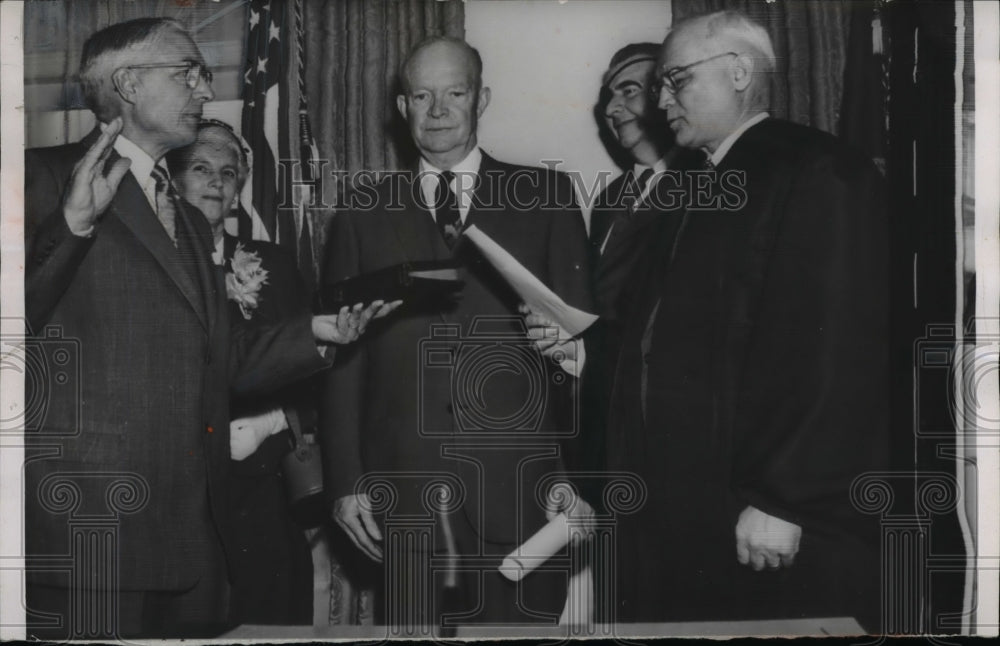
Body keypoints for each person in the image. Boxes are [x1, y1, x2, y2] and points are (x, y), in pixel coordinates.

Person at [24, 18, 395, 638]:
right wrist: (73, 228)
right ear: (129, 84)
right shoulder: (38, 178)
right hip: (94, 530)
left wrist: (319, 334)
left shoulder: (191, 222)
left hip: (195, 533)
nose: (205, 88)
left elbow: (222, 359)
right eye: (188, 72)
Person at [600, 11, 888, 630]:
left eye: (675, 79)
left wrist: (784, 499)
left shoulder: (819, 169)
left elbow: (840, 353)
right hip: (684, 508)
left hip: (767, 516)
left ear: (738, 71)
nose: (662, 100)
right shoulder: (692, 188)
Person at [320, 36, 594, 629]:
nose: (438, 110)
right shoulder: (363, 211)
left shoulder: (546, 198)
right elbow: (344, 359)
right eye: (422, 95)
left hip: (524, 492)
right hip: (405, 492)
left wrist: (580, 472)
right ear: (402, 108)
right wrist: (344, 482)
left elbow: (586, 355)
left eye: (455, 92)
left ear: (482, 99)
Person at [167, 120, 315, 626]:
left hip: (260, 491)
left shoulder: (272, 265)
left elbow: (313, 371)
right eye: (201, 168)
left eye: (228, 172)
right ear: (171, 178)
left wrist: (273, 423)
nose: (216, 181)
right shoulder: (145, 266)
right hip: (174, 495)